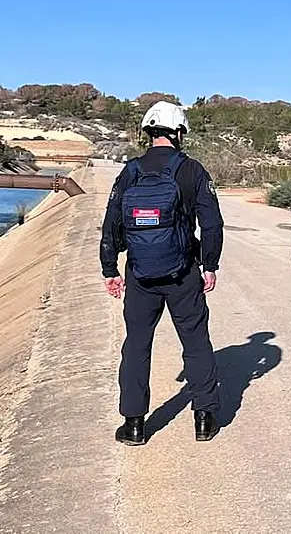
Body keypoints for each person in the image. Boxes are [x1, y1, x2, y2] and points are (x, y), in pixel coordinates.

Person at [100, 100, 224, 445]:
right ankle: (204, 418)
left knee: (137, 344)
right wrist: (210, 265)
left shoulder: (129, 171)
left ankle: (134, 424)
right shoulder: (193, 170)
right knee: (195, 341)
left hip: (140, 274)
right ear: (179, 132)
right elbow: (212, 224)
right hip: (183, 272)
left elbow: (112, 224)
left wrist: (110, 269)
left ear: (148, 133)